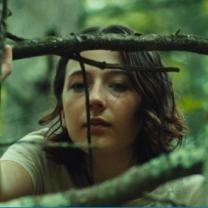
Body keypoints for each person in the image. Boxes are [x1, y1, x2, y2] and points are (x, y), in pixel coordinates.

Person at [0, 25, 204, 205]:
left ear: (148, 104)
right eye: (79, 86)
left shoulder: (188, 194)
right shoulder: (40, 159)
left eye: (118, 86)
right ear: (62, 108)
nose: (94, 98)